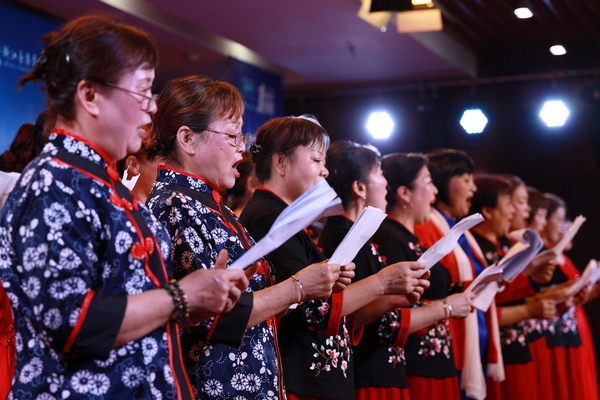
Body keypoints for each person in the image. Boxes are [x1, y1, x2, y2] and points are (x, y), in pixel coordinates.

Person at [0, 16, 249, 400]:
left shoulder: (99, 181)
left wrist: (192, 305)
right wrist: (180, 296)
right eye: (143, 91)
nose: (151, 108)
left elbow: (126, 301)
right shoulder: (53, 183)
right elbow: (69, 320)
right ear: (90, 96)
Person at [145, 76, 343, 400]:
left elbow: (248, 302)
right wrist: (298, 287)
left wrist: (302, 289)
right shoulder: (175, 205)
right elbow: (214, 317)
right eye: (232, 134)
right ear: (188, 139)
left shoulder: (208, 203)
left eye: (242, 135)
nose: (242, 147)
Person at [241, 118, 427, 400]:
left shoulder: (281, 216)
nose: (324, 171)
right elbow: (310, 308)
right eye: (316, 159)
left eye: (325, 162)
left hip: (316, 379)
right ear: (280, 162)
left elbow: (334, 311)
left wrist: (388, 295)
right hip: (300, 380)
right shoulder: (268, 217)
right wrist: (381, 283)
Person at [371, 152, 474, 400]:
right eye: (428, 182)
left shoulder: (410, 238)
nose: (435, 191)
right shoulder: (389, 238)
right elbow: (391, 316)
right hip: (415, 364)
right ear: (404, 193)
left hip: (433, 362)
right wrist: (446, 307)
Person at [413, 149, 503, 400]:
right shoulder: (426, 226)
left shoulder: (460, 228)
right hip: (451, 340)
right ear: (442, 182)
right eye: (466, 179)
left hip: (474, 335)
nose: (473, 187)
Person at [468, 175, 555, 400]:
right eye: (511, 203)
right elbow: (481, 303)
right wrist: (529, 307)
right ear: (488, 210)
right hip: (496, 347)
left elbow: (509, 292)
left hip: (518, 343)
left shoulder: (504, 245)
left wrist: (536, 281)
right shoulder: (474, 246)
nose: (514, 211)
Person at [535, 193, 599, 400]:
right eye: (560, 219)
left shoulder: (562, 257)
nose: (565, 226)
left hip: (573, 326)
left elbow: (576, 298)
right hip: (557, 331)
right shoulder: (542, 256)